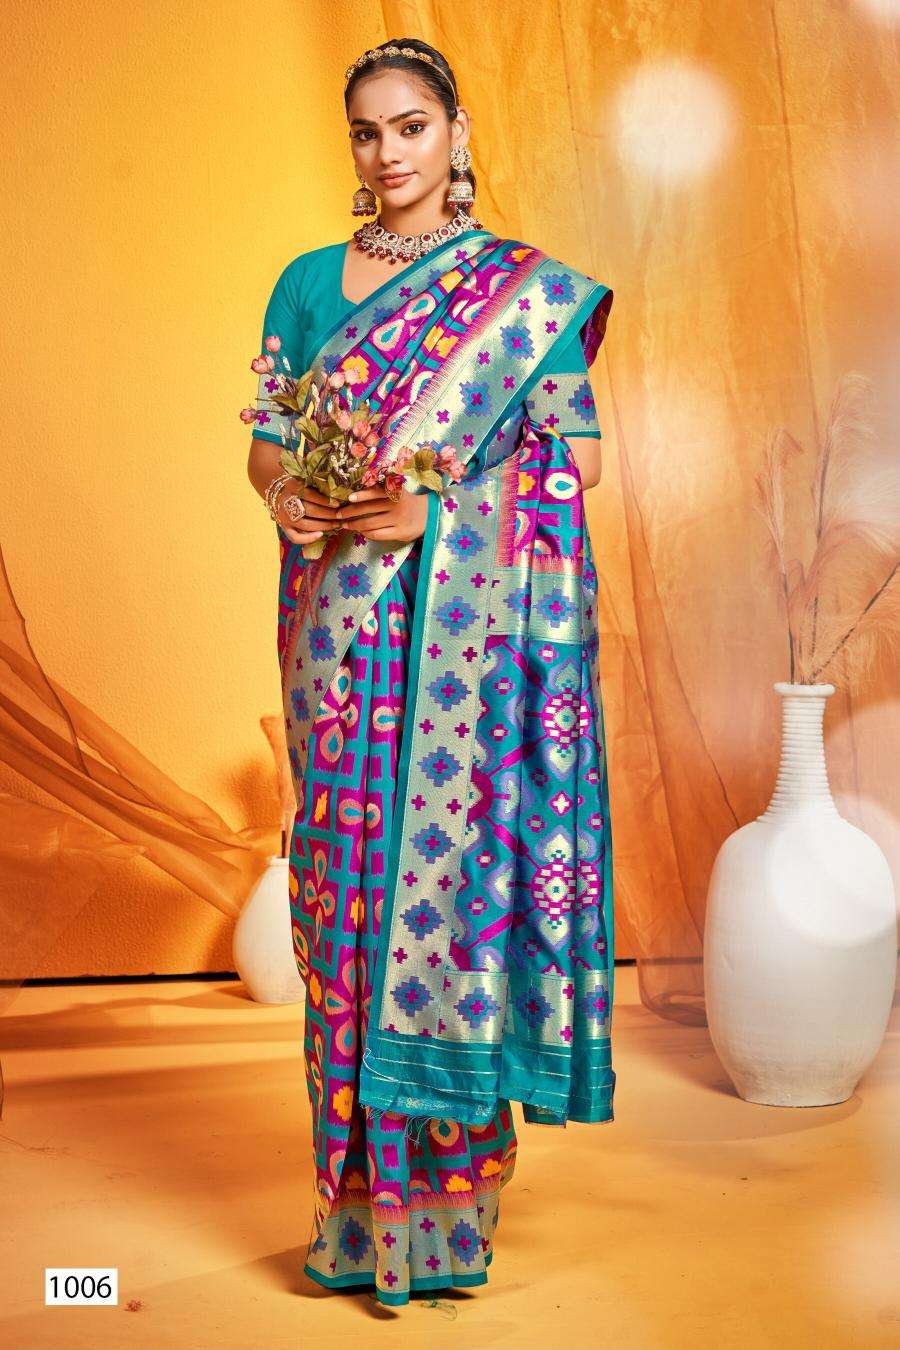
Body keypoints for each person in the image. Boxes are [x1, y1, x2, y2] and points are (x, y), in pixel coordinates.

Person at [246, 37, 616, 1307]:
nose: (388, 151)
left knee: (451, 901)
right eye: (366, 131)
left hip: (466, 656)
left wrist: (439, 512)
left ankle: (451, 1217)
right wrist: (293, 493)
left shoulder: (521, 294)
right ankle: (355, 1215)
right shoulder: (308, 283)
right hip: (340, 634)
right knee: (347, 913)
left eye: (410, 126)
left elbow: (578, 462)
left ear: (456, 132)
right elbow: (266, 442)